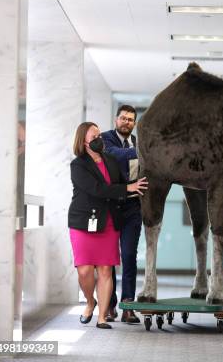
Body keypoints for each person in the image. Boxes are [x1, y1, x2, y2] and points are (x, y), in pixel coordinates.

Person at [68, 122, 148, 329]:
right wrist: (126, 187)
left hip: (109, 222)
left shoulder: (111, 160)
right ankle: (90, 301)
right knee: (85, 271)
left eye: (99, 135)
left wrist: (135, 187)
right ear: (84, 143)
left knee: (105, 269)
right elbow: (98, 189)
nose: (99, 140)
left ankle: (102, 316)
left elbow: (122, 184)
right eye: (94, 138)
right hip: (83, 222)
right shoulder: (78, 165)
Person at [101, 105, 143, 323]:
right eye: (123, 118)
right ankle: (109, 305)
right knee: (109, 258)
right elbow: (115, 156)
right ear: (116, 119)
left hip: (133, 208)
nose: (127, 122)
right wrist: (144, 151)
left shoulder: (137, 142)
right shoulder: (105, 139)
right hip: (110, 206)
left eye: (131, 119)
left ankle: (128, 306)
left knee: (128, 256)